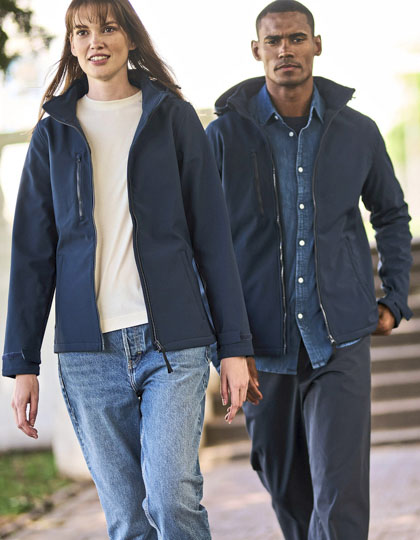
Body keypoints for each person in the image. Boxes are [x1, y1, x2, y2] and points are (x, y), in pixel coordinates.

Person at [2, 0, 253, 538]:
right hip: (88, 355)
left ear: (131, 38)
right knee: (127, 519)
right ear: (72, 45)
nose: (96, 40)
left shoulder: (173, 118)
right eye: (82, 31)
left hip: (173, 344)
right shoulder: (52, 136)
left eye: (109, 27)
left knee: (170, 498)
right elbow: (32, 257)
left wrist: (233, 347)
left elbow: (213, 241)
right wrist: (23, 363)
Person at [206, 1, 412, 538]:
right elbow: (201, 239)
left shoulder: (358, 132)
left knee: (341, 495)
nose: (285, 50)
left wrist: (394, 296)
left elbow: (391, 214)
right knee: (284, 483)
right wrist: (223, 341)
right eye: (274, 41)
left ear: (317, 45)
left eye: (297, 38)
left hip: (338, 337)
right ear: (257, 50)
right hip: (260, 346)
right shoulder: (224, 137)